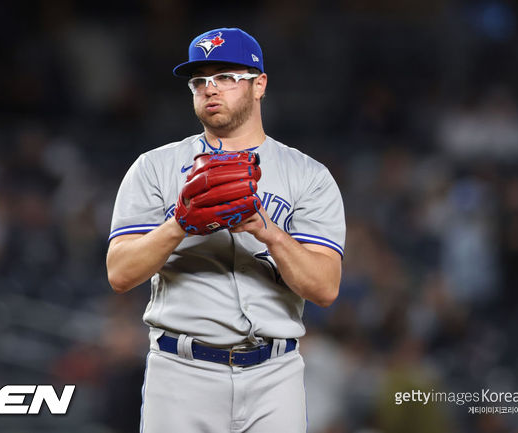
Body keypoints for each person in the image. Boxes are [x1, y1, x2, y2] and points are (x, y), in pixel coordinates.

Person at [106, 27, 345, 433]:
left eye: (226, 77)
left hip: (275, 374)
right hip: (181, 372)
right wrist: (180, 224)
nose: (210, 89)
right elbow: (120, 274)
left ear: (259, 85)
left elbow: (324, 288)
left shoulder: (309, 176)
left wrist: (267, 230)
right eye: (200, 81)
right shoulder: (154, 167)